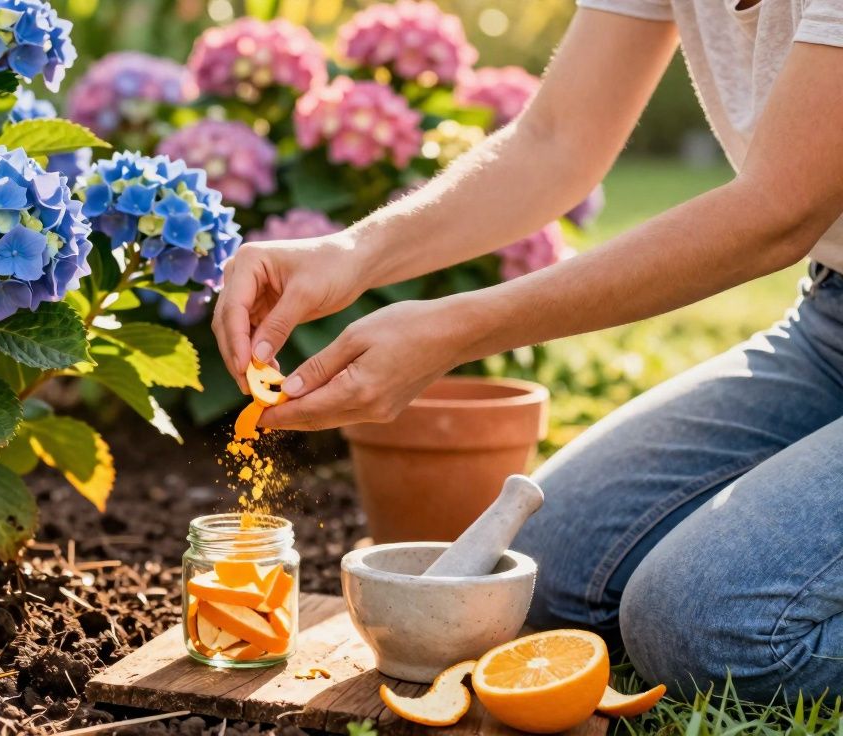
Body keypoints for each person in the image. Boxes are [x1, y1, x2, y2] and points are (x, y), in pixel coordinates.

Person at [212, 1, 843, 701]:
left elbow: (778, 210)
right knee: (539, 576)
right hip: (831, 327)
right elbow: (555, 138)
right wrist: (352, 251)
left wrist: (459, 329)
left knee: (708, 628)